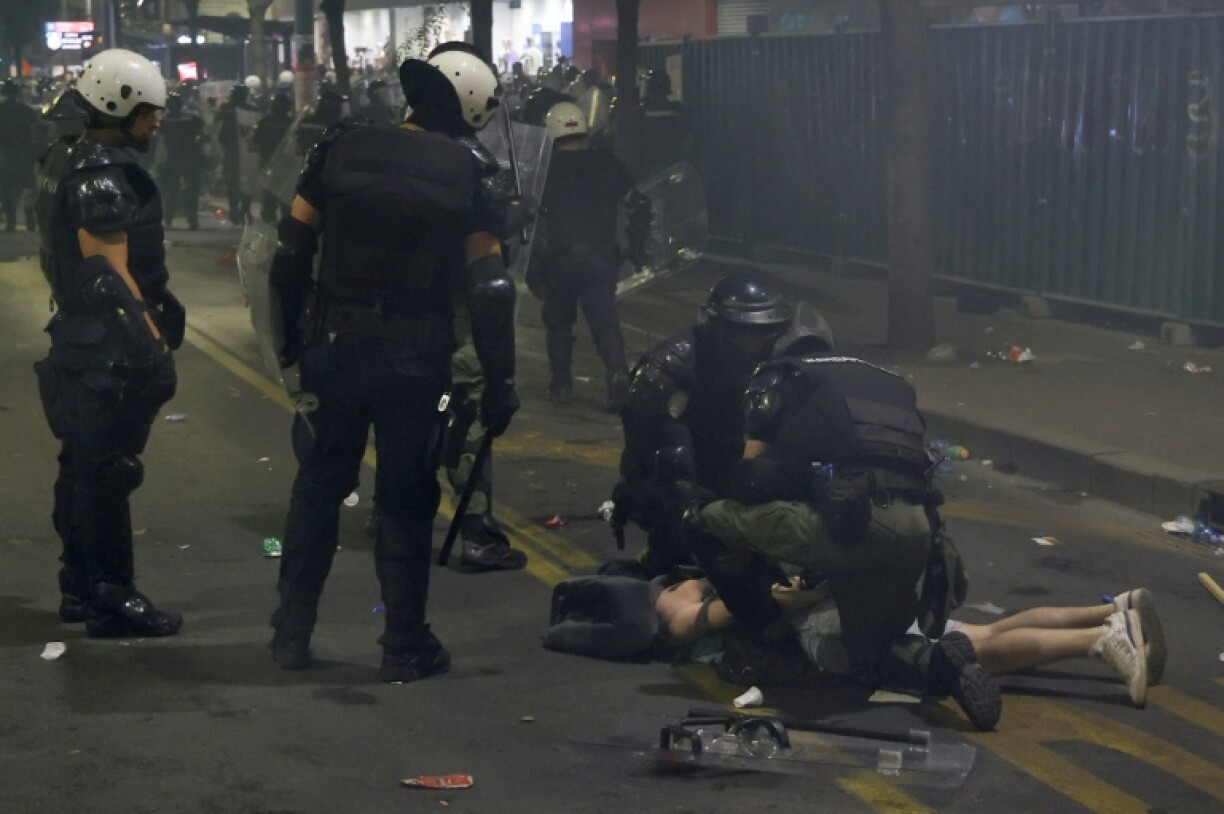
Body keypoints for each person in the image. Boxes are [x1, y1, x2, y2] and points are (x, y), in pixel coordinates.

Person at [266, 42, 520, 683]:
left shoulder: (341, 145)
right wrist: (500, 378)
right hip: (416, 358)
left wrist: (291, 343)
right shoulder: (473, 172)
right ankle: (404, 645)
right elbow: (489, 286)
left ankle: (290, 635)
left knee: (318, 491)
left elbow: (291, 250)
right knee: (407, 500)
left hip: (335, 349)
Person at [680, 330, 1005, 730]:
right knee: (869, 657)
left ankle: (770, 645)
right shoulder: (878, 380)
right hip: (918, 529)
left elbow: (751, 479)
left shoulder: (778, 377)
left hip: (857, 526)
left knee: (706, 519)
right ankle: (944, 664)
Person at [33, 48, 185, 637]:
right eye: (148, 111)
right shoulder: (98, 174)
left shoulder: (64, 157)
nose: (156, 122)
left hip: (75, 337)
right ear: (118, 107)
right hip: (102, 344)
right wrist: (152, 348)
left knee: (81, 468)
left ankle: (77, 585)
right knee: (109, 472)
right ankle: (111, 596)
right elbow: (110, 277)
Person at [657, 578, 1165, 707]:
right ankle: (1114, 609)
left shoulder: (737, 564)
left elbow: (681, 620)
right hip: (867, 600)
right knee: (986, 633)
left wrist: (766, 595)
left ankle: (1104, 640)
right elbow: (681, 617)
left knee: (977, 652)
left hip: (844, 624)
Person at [605, 273, 797, 579]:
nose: (761, 343)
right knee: (676, 475)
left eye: (767, 333)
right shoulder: (668, 370)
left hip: (723, 464)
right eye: (750, 333)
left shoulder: (767, 362)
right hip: (668, 479)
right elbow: (666, 464)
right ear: (723, 328)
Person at [530, 100, 650, 412]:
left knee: (558, 323)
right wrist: (637, 245)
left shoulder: (546, 171)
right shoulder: (606, 162)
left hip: (560, 260)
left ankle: (561, 384)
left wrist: (534, 265)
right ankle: (617, 374)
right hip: (599, 258)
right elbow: (639, 204)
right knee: (605, 323)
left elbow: (531, 219)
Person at [156, 92, 207, 229]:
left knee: (171, 190)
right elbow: (204, 134)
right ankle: (192, 219)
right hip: (191, 157)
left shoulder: (164, 121)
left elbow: (157, 141)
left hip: (173, 159)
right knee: (192, 189)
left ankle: (169, 217)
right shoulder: (192, 119)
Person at [217, 84, 261, 224]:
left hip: (233, 151)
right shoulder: (252, 110)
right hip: (247, 151)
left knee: (232, 182)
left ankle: (236, 211)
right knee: (245, 180)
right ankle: (243, 209)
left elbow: (218, 130)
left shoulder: (226, 109)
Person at [0, 81, 40, 231]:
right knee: (28, 188)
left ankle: (11, 222)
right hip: (25, 154)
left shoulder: (1, 110)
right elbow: (38, 128)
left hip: (5, 156)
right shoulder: (27, 111)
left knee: (7, 189)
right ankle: (30, 217)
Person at [251, 92, 295, 223]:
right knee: (284, 195)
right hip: (284, 164)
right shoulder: (291, 123)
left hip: (270, 163)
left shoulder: (266, 121)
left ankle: (271, 220)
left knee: (270, 194)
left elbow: (255, 141)